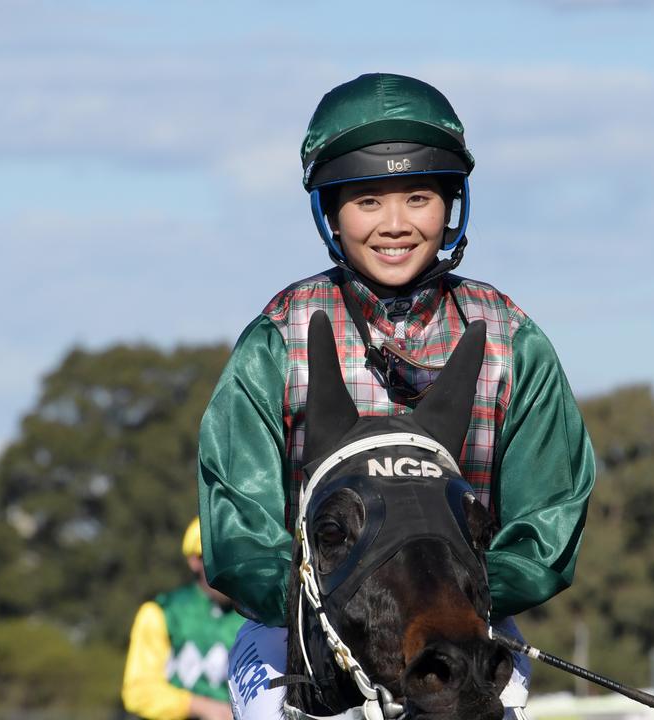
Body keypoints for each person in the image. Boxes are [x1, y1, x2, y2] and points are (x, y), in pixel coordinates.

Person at [197, 73, 596, 718]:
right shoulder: (276, 339)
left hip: (460, 621)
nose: (395, 225)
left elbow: (547, 518)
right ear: (331, 213)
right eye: (367, 202)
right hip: (302, 629)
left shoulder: (512, 340)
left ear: (450, 204)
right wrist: (324, 606)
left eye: (417, 197)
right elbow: (240, 529)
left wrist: (448, 596)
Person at [122, 517, 246, 720]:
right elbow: (138, 692)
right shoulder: (160, 613)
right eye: (219, 557)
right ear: (195, 561)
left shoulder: (258, 618)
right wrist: (199, 706)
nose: (230, 568)